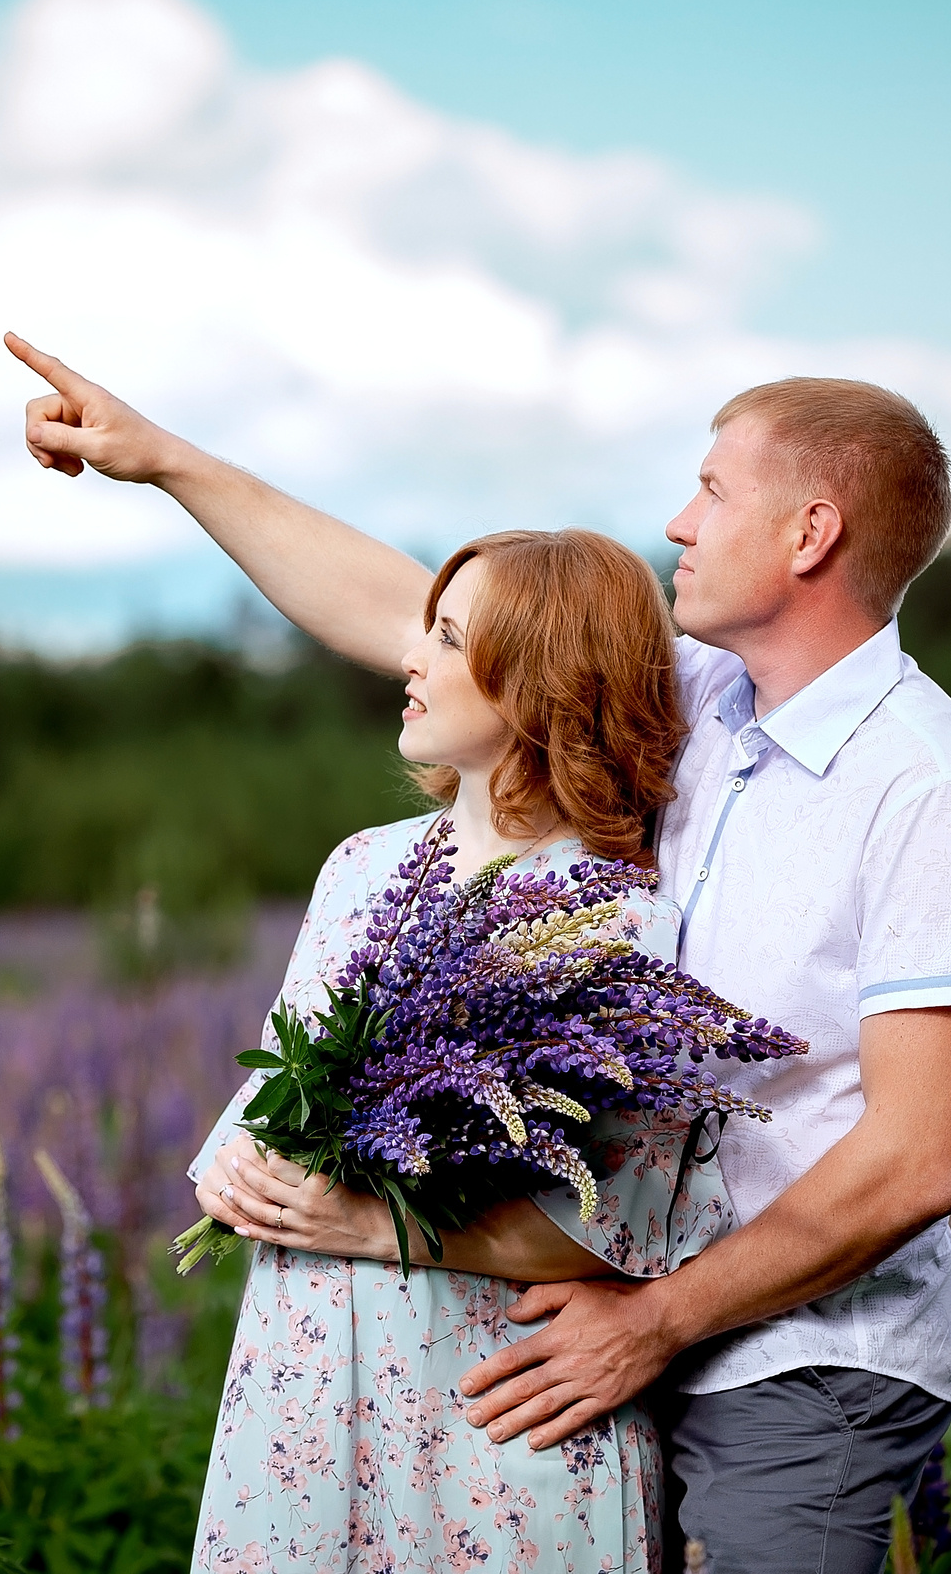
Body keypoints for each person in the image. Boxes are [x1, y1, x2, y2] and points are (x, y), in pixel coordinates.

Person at [5, 332, 951, 1574]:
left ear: (810, 533)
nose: (678, 520)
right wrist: (163, 459)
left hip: (796, 1362)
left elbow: (913, 1163)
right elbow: (431, 623)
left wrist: (655, 1316)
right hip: (602, 1320)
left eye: (713, 490)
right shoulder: (707, 700)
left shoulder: (931, 788)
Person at [185, 526, 733, 1572]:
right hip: (301, 1393)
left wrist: (364, 1221)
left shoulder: (612, 920)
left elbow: (624, 1230)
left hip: (488, 1417)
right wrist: (245, 1173)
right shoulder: (361, 869)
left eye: (444, 637)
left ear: (537, 686)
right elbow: (266, 1111)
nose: (409, 658)